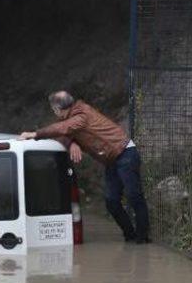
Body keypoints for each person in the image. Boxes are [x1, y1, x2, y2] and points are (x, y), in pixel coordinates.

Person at [19, 91, 150, 244]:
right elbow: (65, 133)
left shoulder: (81, 114)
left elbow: (63, 128)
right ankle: (130, 235)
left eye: (54, 110)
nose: (54, 113)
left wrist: (35, 134)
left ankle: (142, 238)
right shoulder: (74, 116)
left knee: (134, 195)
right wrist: (72, 143)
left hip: (125, 153)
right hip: (112, 160)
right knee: (111, 201)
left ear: (59, 108)